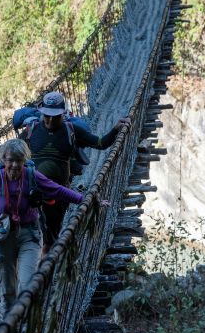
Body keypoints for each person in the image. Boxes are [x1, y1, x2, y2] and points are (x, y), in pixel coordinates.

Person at [0, 138, 84, 319]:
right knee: (7, 291)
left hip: (29, 235)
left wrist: (84, 199)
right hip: (3, 236)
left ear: (25, 161)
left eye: (19, 160)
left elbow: (57, 190)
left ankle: (24, 331)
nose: (14, 165)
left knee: (27, 286)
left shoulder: (31, 175)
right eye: (10, 160)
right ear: (3, 160)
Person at [18, 91, 130, 249]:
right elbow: (12, 151)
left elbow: (100, 143)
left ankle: (48, 266)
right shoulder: (32, 129)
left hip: (59, 193)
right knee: (31, 233)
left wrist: (115, 129)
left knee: (52, 235)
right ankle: (37, 265)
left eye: (55, 116)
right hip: (32, 191)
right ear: (42, 112)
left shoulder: (72, 130)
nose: (50, 119)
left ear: (63, 114)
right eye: (47, 115)